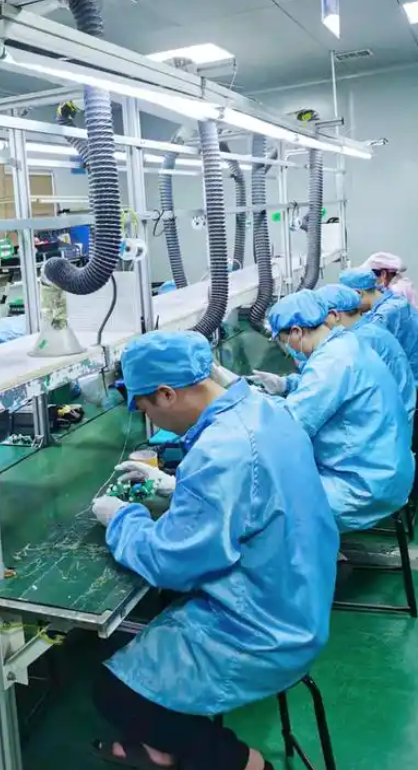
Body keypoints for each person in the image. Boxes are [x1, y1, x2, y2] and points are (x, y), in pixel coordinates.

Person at [91, 330, 338, 770]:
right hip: (300, 596)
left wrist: (122, 519)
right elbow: (253, 494)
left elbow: (169, 562)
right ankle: (163, 748)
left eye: (146, 408)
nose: (150, 418)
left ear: (166, 394)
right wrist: (181, 486)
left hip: (262, 629)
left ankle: (243, 762)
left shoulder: (220, 453)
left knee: (114, 692)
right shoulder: (265, 411)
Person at [264, 290, 414, 532]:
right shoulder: (347, 343)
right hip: (387, 469)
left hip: (362, 485)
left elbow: (292, 424)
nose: (287, 347)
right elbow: (325, 390)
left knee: (269, 502)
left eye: (284, 340)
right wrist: (287, 385)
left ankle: (315, 552)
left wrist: (257, 404)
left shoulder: (331, 361)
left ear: (296, 332)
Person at [314, 284, 417, 424]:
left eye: (321, 321)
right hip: (395, 415)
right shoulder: (369, 329)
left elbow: (326, 390)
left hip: (384, 422)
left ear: (335, 315)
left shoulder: (359, 340)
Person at [339, 268, 418, 390]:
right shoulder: (393, 300)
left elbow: (365, 347)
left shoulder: (385, 315)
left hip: (413, 386)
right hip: (417, 377)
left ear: (358, 293)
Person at [360, 251, 418, 322]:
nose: (371, 281)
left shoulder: (397, 290)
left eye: (371, 276)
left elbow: (387, 317)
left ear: (383, 274)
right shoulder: (401, 284)